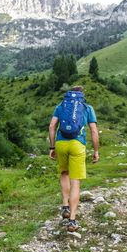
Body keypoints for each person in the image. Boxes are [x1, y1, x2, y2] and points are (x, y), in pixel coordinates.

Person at [49, 85, 99, 232]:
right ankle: (72, 221)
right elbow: (94, 131)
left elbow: (52, 126)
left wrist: (52, 147)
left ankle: (65, 206)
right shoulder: (87, 108)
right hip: (78, 144)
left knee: (64, 173)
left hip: (61, 143)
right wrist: (96, 151)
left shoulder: (61, 106)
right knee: (75, 181)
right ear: (82, 95)